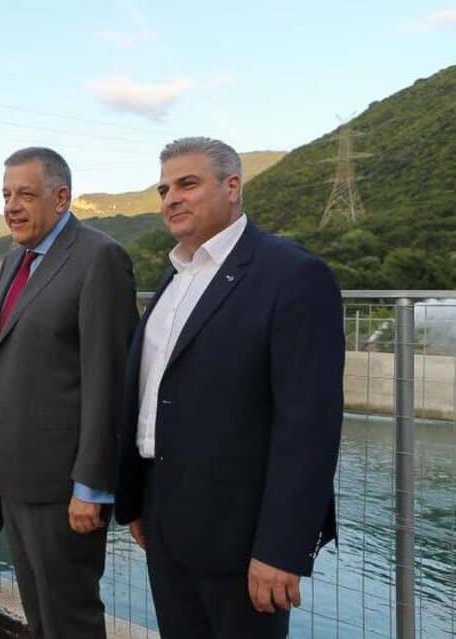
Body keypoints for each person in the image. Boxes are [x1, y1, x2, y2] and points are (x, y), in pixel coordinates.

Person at [114, 137, 344, 638]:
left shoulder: (293, 274)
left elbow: (308, 426)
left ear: (233, 186)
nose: (171, 198)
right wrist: (138, 497)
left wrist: (281, 548)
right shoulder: (175, 277)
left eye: (187, 184)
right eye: (164, 189)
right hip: (164, 517)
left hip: (241, 536)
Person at [0, 147, 139, 638]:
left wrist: (92, 486)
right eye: (6, 194)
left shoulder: (99, 257)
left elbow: (108, 379)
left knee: (70, 619)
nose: (11, 206)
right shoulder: (14, 261)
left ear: (61, 198)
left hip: (64, 487)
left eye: (25, 194)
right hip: (15, 477)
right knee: (40, 616)